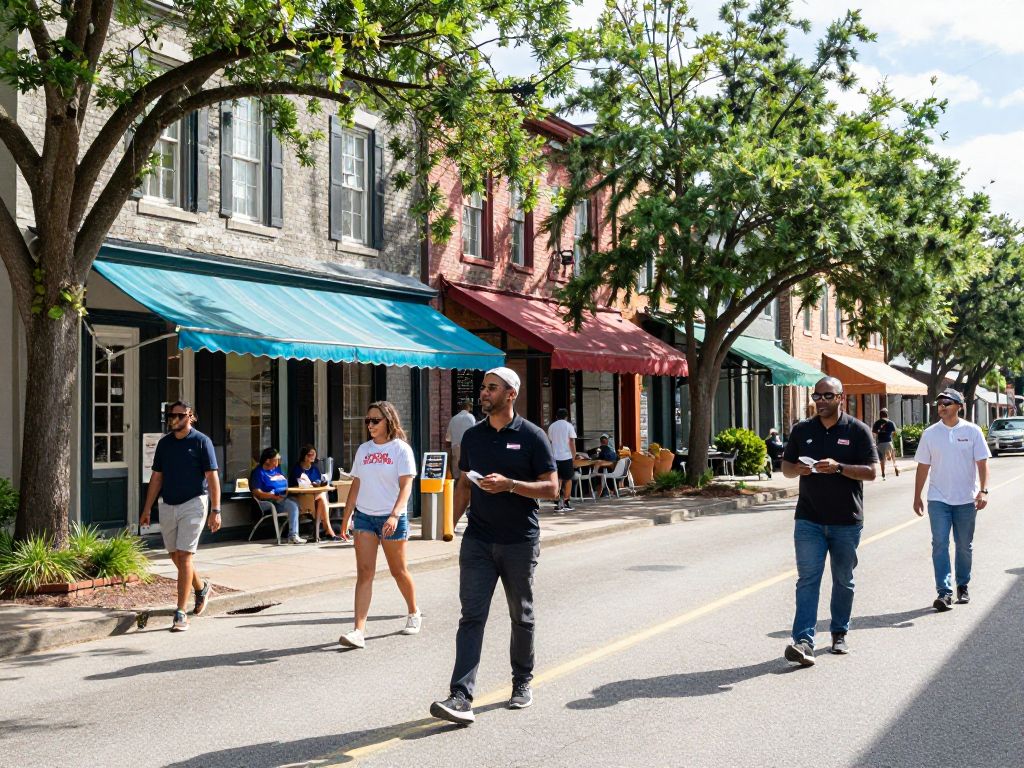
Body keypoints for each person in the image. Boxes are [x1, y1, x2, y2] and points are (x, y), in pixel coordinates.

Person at [430, 367, 558, 725]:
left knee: (522, 615)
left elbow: (551, 487)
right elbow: (464, 485)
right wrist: (449, 526)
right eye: (483, 388)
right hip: (478, 541)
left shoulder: (533, 436)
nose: (484, 393)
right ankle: (460, 696)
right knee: (471, 616)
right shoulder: (472, 437)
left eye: (491, 388)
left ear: (510, 394)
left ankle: (522, 681)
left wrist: (511, 485)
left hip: (519, 541)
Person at [781, 376, 878, 665]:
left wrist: (840, 468)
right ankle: (803, 642)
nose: (820, 401)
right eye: (816, 396)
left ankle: (839, 633)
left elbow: (872, 471)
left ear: (840, 397)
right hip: (808, 519)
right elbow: (785, 467)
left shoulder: (857, 430)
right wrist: (797, 469)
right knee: (807, 580)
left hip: (846, 521)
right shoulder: (802, 430)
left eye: (827, 396)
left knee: (843, 580)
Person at [338, 401, 420, 649]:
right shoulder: (363, 449)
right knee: (364, 573)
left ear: (389, 421)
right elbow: (357, 484)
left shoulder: (401, 449)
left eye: (375, 420)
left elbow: (406, 486)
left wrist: (395, 515)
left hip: (390, 518)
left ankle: (414, 612)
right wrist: (346, 516)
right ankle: (358, 632)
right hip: (364, 517)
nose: (370, 425)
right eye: (368, 421)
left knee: (399, 571)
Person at [140, 401, 221, 632]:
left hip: (194, 503)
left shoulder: (201, 441)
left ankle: (180, 612)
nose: (173, 418)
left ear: (190, 416)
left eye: (179, 415)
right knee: (175, 556)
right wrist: (147, 509)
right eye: (170, 415)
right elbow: (157, 477)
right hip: (168, 504)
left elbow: (213, 478)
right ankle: (201, 587)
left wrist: (216, 510)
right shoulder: (164, 444)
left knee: (185, 557)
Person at [912, 388, 990, 612]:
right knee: (939, 544)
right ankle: (944, 593)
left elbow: (982, 463)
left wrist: (983, 490)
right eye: (940, 403)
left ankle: (962, 585)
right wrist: (917, 495)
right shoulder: (930, 433)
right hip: (938, 499)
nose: (942, 406)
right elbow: (923, 467)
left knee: (964, 545)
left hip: (966, 499)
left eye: (947, 402)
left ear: (959, 406)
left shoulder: (972, 431)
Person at [252, 448, 306, 545]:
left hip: (283, 497)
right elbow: (257, 492)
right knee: (293, 506)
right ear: (268, 460)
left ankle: (293, 530)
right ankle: (292, 536)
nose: (279, 461)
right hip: (271, 501)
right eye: (277, 459)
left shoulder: (277, 469)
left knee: (300, 503)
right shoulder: (259, 472)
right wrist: (272, 496)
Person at [289, 445, 341, 541]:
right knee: (322, 497)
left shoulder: (315, 469)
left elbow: (319, 480)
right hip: (301, 498)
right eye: (309, 454)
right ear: (304, 456)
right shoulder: (297, 469)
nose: (312, 456)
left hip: (315, 498)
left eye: (314, 454)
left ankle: (323, 531)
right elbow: (298, 485)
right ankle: (327, 530)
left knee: (321, 498)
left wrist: (318, 483)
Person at [547, 408, 577, 511]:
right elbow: (572, 441)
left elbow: (550, 441)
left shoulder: (551, 427)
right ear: (567, 416)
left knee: (557, 479)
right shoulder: (569, 426)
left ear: (556, 416)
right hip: (566, 456)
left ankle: (557, 503)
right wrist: (574, 455)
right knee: (568, 479)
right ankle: (566, 501)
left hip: (554, 457)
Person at [446, 398, 478, 480]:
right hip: (467, 447)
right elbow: (475, 432)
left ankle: (456, 488)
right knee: (466, 471)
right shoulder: (471, 417)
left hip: (455, 447)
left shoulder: (453, 419)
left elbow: (448, 438)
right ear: (469, 407)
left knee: (456, 471)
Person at [872, 408, 900, 480]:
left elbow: (874, 431)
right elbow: (894, 433)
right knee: (893, 457)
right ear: (887, 415)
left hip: (880, 443)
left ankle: (883, 475)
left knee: (882, 460)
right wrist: (890, 434)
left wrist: (880, 433)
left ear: (880, 415)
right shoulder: (890, 422)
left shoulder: (877, 422)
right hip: (889, 442)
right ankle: (895, 467)